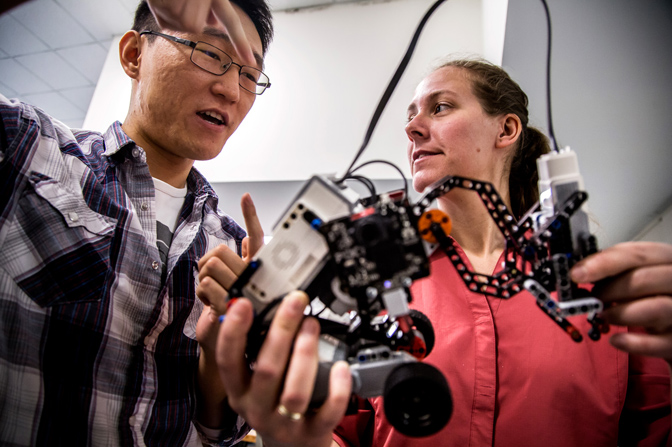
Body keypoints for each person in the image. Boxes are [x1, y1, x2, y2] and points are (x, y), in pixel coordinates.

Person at [200, 59, 672, 447]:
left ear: (506, 129)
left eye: (440, 107)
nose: (413, 128)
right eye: (410, 116)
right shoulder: (380, 289)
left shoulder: (600, 289)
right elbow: (342, 432)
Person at [0, 0, 271, 445]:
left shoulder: (231, 244)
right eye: (209, 52)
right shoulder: (28, 150)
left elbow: (216, 429)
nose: (230, 89)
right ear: (133, 55)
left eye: (248, 74)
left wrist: (224, 341)